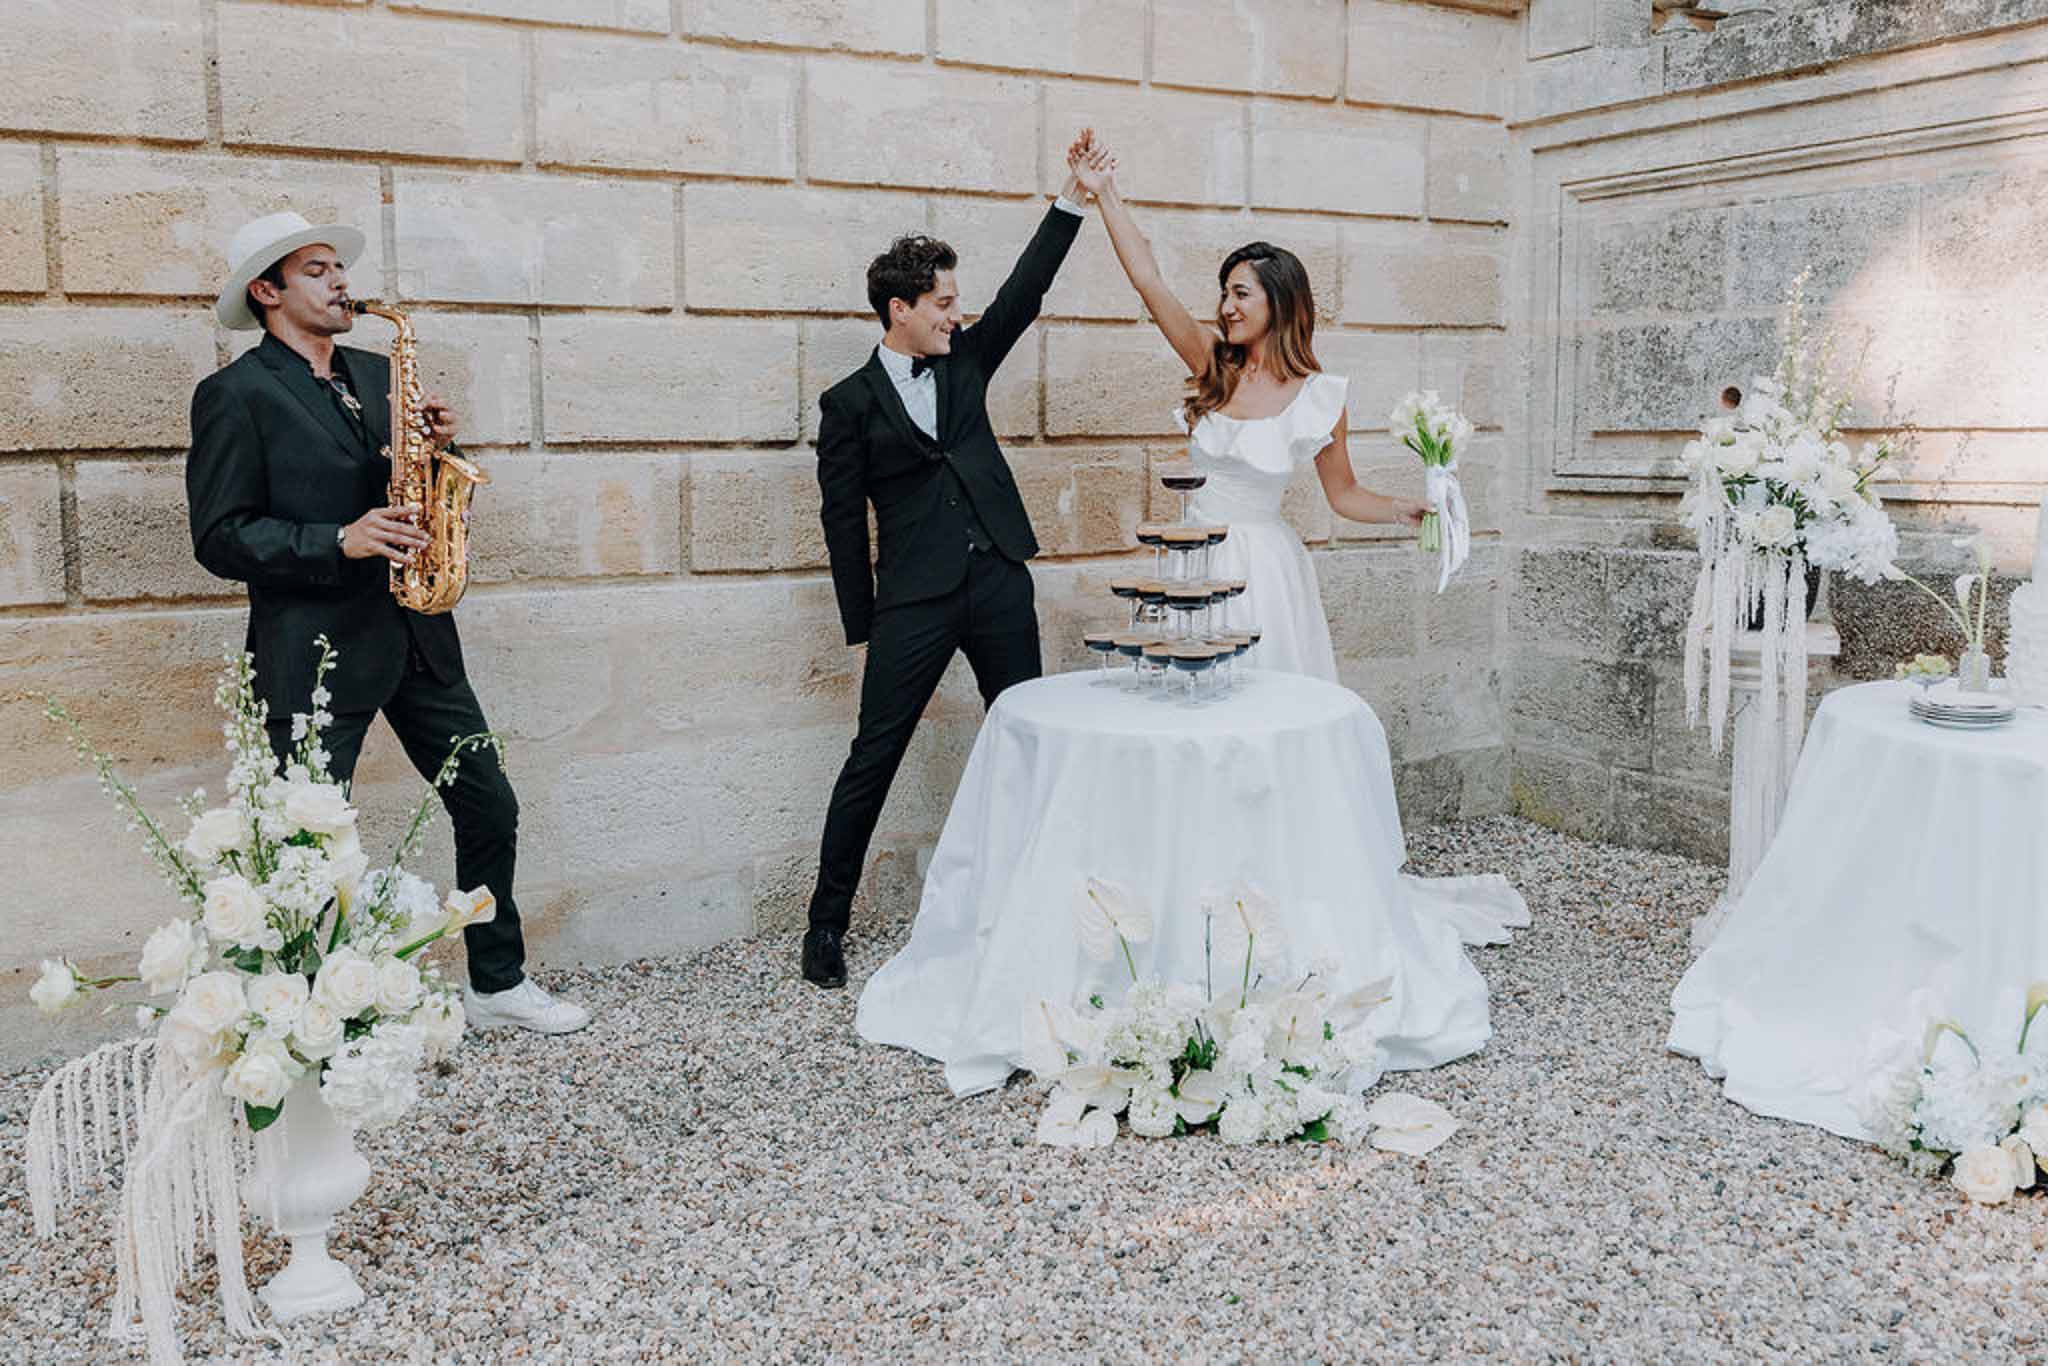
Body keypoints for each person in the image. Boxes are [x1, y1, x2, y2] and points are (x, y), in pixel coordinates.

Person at [186, 210, 588, 1035]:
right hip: (316, 651)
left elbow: (408, 482)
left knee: (490, 805)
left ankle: (496, 981)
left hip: (418, 633)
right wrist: (340, 538)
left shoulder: (377, 373)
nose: (341, 283)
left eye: (339, 268)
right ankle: (307, 1021)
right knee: (307, 851)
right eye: (317, 270)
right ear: (267, 292)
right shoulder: (233, 396)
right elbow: (220, 536)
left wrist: (440, 447)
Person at [801, 135, 1102, 989]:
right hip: (915, 602)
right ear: (898, 309)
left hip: (1000, 577)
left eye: (956, 302)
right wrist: (866, 621)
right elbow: (839, 518)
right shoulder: (848, 403)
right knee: (874, 755)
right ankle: (826, 926)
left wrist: (1072, 197)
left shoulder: (968, 359)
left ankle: (1052, 902)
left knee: (1032, 738)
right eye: (941, 303)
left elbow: (1025, 293)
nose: (955, 315)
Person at [1071, 145, 1429, 681]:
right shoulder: (1213, 364)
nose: (1226, 307)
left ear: (1279, 303)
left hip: (1267, 573)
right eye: (1224, 294)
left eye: (1241, 293)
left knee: (1265, 693)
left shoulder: (1319, 398)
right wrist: (1105, 193)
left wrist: (1404, 509)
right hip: (1193, 564)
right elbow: (1148, 280)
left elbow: (1345, 494)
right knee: (1195, 694)